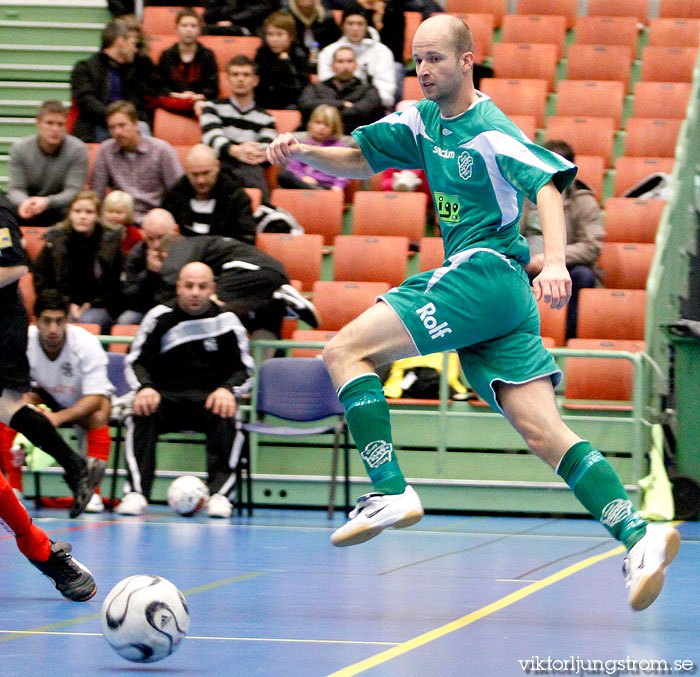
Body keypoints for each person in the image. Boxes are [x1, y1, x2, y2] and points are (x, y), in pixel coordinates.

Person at [267, 14, 680, 612]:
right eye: (417, 59)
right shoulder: (419, 117)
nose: (424, 69)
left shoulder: (490, 128)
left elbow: (546, 187)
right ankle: (637, 539)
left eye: (435, 57)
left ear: (467, 60)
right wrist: (303, 151)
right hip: (501, 301)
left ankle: (389, 489)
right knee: (545, 434)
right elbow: (361, 158)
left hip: (486, 272)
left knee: (343, 350)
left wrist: (558, 261)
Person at [117, 262, 253, 517]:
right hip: (165, 399)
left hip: (210, 401)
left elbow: (244, 370)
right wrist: (145, 387)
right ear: (178, 287)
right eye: (189, 286)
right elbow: (136, 361)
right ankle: (136, 492)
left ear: (212, 289)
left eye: (202, 287)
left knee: (229, 414)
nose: (195, 292)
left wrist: (226, 389)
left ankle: (220, 495)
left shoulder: (227, 322)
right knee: (140, 412)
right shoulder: (159, 317)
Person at [0, 194, 105, 520]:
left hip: (3, 326)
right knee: (7, 408)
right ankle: (76, 467)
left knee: (9, 406)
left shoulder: (0, 213)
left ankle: (76, 467)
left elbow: (16, 266)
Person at [16, 290, 114, 513]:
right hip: (45, 395)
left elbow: (96, 397)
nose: (53, 329)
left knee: (99, 413)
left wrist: (58, 418)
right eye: (47, 321)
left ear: (67, 321)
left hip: (84, 400)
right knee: (8, 408)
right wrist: (30, 408)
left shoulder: (86, 343)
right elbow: (15, 387)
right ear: (35, 320)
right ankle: (14, 489)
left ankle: (92, 492)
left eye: (59, 321)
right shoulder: (22, 341)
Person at [520, 139, 604, 340]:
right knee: (494, 271)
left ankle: (567, 337)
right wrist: (526, 259)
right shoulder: (519, 195)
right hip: (524, 263)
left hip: (564, 267)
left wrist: (551, 260)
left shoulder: (582, 200)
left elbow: (591, 246)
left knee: (584, 276)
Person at [32, 190, 123, 334]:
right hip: (60, 305)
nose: (82, 216)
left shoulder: (110, 245)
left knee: (84, 322)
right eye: (77, 211)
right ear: (70, 214)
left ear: (97, 216)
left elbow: (115, 287)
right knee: (60, 320)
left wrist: (89, 304)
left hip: (98, 307)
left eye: (89, 212)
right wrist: (66, 302)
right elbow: (42, 281)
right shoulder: (54, 242)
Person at [70, 18, 162, 143]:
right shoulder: (85, 68)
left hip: (127, 125)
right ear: (120, 41)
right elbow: (86, 101)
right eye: (133, 43)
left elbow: (139, 105)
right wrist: (113, 117)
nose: (136, 50)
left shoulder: (135, 71)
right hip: (96, 126)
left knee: (142, 127)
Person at [91, 100, 183, 224]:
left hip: (153, 218)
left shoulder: (162, 150)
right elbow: (97, 194)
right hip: (119, 219)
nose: (117, 132)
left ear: (136, 124)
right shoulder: (106, 151)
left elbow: (178, 193)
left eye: (122, 125)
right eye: (112, 127)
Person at [200, 56, 277, 201]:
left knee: (251, 168)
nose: (240, 79)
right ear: (228, 79)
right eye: (235, 75)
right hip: (221, 167)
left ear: (255, 80)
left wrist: (251, 153)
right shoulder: (212, 107)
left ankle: (263, 210)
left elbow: (267, 148)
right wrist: (235, 151)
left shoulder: (266, 117)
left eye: (246, 75)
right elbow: (212, 139)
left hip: (250, 167)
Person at [8, 101, 88, 229]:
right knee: (4, 212)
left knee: (80, 212)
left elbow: (73, 191)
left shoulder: (78, 149)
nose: (55, 129)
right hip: (27, 205)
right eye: (49, 123)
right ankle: (6, 247)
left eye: (60, 124)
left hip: (60, 208)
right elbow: (16, 188)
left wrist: (47, 202)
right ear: (38, 123)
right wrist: (25, 202)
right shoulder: (20, 148)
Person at [161, 144, 257, 243]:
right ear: (186, 171)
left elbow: (246, 238)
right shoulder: (175, 195)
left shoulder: (236, 197)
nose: (200, 180)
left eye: (206, 173)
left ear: (217, 167)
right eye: (194, 174)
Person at [316, 4, 396, 111]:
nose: (355, 28)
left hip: (371, 108)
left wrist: (362, 105)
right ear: (342, 26)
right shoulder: (328, 52)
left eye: (360, 24)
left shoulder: (382, 52)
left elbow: (386, 91)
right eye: (350, 24)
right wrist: (343, 104)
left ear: (367, 26)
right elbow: (325, 87)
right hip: (335, 109)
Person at [297, 45, 384, 133]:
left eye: (349, 61)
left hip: (352, 136)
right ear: (332, 65)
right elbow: (305, 105)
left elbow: (363, 112)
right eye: (340, 61)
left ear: (356, 65)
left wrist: (325, 111)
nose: (345, 66)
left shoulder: (368, 90)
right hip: (315, 136)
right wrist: (342, 104)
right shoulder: (316, 87)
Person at [157, 9, 220, 118]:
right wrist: (179, 96)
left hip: (200, 104)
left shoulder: (207, 55)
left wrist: (196, 96)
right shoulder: (167, 55)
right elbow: (160, 85)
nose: (189, 30)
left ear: (199, 30)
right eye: (184, 26)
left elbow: (213, 86)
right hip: (172, 103)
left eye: (193, 26)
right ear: (176, 29)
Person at [278, 105, 349, 192]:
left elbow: (344, 173)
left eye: (327, 124)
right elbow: (293, 168)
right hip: (302, 183)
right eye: (318, 123)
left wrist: (338, 187)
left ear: (334, 128)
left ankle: (319, 192)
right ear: (310, 124)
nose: (321, 128)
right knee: (284, 176)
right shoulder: (302, 146)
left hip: (326, 186)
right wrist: (303, 177)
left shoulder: (339, 148)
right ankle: (316, 191)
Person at [254, 11, 310, 110]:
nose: (274, 39)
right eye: (270, 34)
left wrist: (286, 64)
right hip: (263, 102)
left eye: (279, 35)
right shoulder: (262, 54)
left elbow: (299, 88)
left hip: (291, 104)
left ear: (291, 37)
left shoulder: (299, 56)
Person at [202, 0, 281, 36]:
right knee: (201, 30)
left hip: (252, 27)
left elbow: (262, 9)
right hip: (221, 24)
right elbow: (208, 15)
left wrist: (232, 20)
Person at [101, 190, 143, 255]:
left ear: (128, 213)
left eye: (118, 212)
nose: (114, 216)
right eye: (110, 211)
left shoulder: (135, 236)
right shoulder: (98, 232)